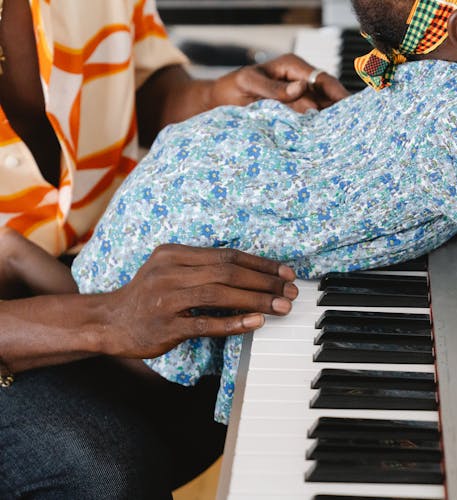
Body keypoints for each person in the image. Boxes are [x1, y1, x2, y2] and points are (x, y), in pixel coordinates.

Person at [70, 0, 457, 426]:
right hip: (223, 206)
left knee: (100, 279)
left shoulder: (444, 84)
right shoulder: (455, 119)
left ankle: (38, 270)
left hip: (233, 165)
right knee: (155, 348)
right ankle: (46, 288)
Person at [0, 0, 348, 498]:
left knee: (266, 338)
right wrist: (108, 319)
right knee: (98, 473)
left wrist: (217, 96)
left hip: (92, 258)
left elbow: (135, 90)